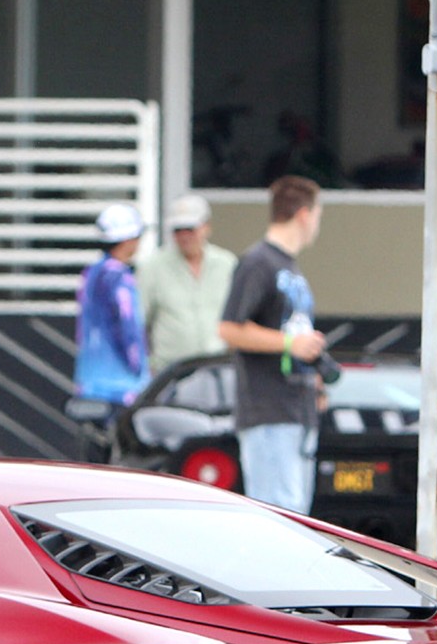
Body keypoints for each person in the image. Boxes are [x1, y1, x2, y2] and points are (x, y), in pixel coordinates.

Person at [217, 175, 328, 514]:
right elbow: (229, 329)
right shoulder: (258, 262)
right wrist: (291, 344)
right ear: (305, 215)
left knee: (297, 517)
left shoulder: (289, 267)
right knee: (278, 518)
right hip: (268, 410)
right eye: (318, 217)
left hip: (297, 409)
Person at [137, 193, 238, 376]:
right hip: (170, 370)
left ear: (206, 227)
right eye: (178, 229)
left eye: (190, 228)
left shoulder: (226, 264)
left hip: (217, 367)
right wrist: (146, 364)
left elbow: (238, 317)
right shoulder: (152, 267)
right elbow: (139, 321)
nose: (184, 236)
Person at [72, 202, 150, 417]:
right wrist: (137, 367)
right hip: (121, 387)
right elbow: (126, 326)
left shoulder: (92, 274)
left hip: (89, 382)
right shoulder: (119, 278)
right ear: (127, 239)